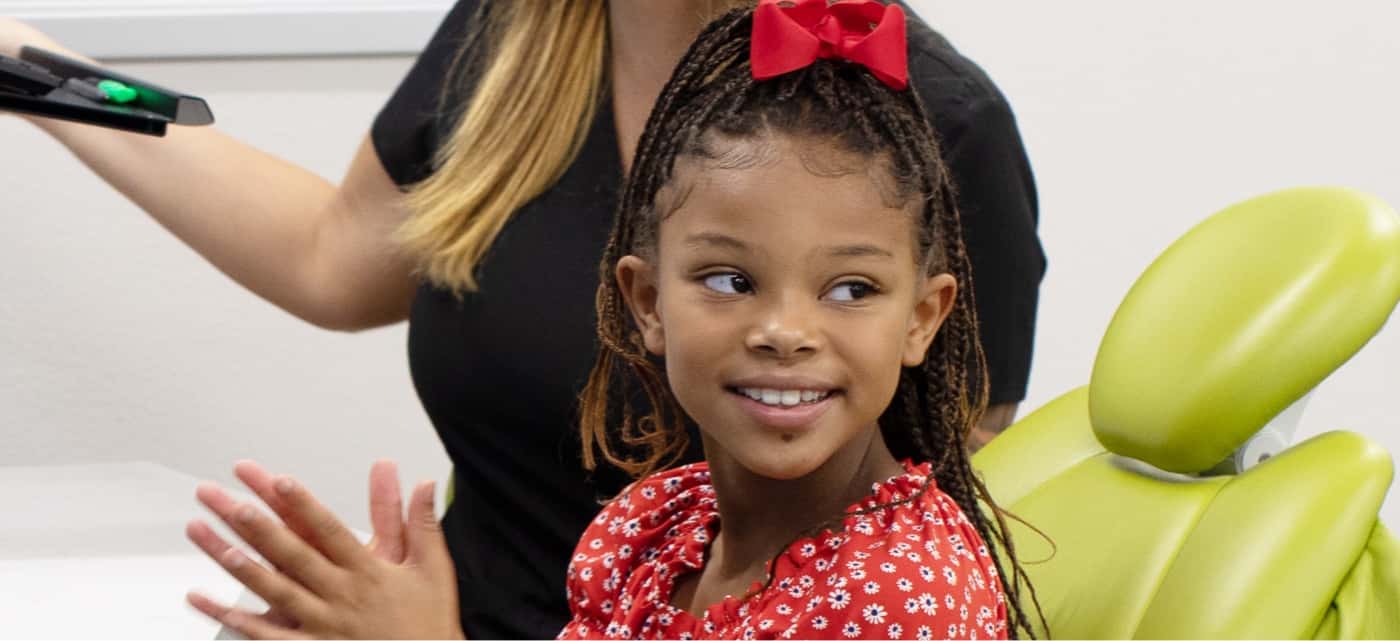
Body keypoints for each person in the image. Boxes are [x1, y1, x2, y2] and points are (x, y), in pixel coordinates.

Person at [0, 0, 1043, 636]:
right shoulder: (522, 36)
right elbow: (332, 255)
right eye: (725, 280)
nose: (783, 328)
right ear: (639, 296)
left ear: (921, 313)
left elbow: (923, 507)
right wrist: (32, 67)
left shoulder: (911, 119)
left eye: (845, 289)